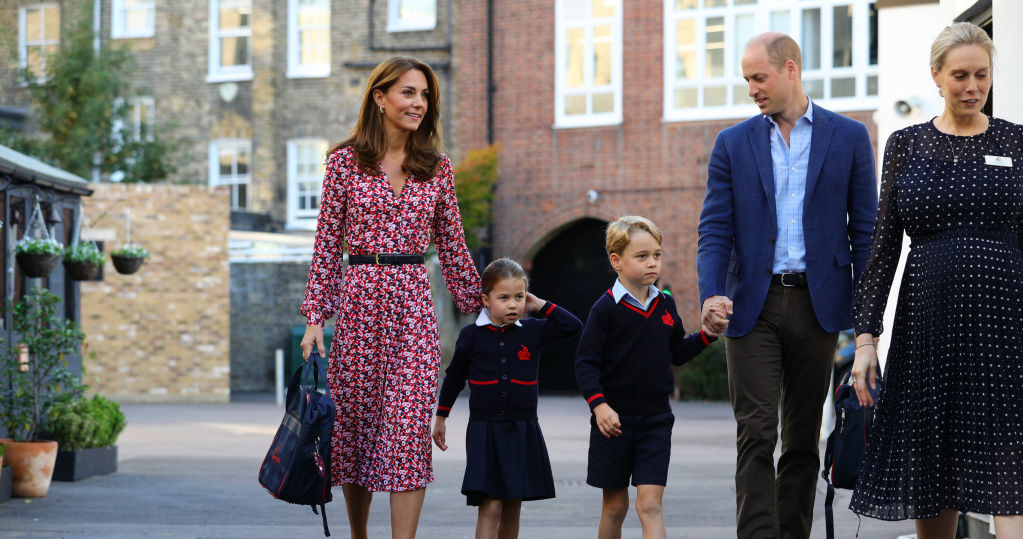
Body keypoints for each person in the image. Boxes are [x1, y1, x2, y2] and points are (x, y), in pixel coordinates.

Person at [696, 32, 878, 539]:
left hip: (819, 306)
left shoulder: (849, 137)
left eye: (759, 77)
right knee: (755, 433)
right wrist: (711, 293)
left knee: (801, 439)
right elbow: (714, 228)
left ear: (791, 69)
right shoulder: (733, 143)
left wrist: (867, 324)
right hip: (750, 306)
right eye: (747, 79)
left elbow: (865, 233)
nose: (751, 88)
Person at [849, 22, 1023, 538]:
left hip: (1005, 324)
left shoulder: (1016, 141)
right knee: (934, 462)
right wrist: (865, 339)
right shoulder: (906, 144)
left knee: (1009, 457)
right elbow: (882, 249)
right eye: (961, 76)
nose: (973, 87)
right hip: (929, 325)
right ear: (936, 76)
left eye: (982, 75)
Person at [298, 56, 482, 539]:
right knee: (355, 435)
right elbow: (326, 244)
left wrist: (490, 306)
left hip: (413, 310)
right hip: (359, 306)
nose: (419, 103)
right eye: (408, 93)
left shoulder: (437, 168)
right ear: (380, 98)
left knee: (405, 437)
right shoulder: (343, 163)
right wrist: (316, 316)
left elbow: (454, 245)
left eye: (425, 96)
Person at [575, 216, 716, 539]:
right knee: (614, 507)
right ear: (617, 261)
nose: (653, 263)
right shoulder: (604, 309)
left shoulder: (665, 304)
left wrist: (707, 335)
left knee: (650, 505)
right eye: (642, 256)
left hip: (656, 420)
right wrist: (599, 407)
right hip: (613, 422)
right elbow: (585, 363)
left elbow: (677, 351)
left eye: (657, 255)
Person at [431, 258, 582, 539]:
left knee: (513, 505)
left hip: (522, 428)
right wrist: (441, 417)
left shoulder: (535, 330)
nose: (513, 304)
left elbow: (572, 326)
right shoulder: (471, 335)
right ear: (485, 299)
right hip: (484, 430)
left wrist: (540, 305)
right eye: (504, 298)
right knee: (490, 507)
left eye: (519, 297)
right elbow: (453, 378)